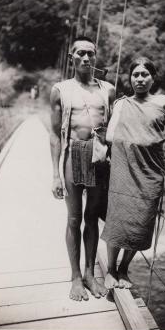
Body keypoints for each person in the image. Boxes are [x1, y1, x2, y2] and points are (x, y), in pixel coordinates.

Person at [101, 57, 165, 289]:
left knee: (142, 221)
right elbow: (110, 136)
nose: (140, 79)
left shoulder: (162, 101)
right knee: (117, 218)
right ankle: (111, 270)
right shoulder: (122, 103)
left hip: (150, 172)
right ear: (130, 78)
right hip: (123, 168)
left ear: (152, 78)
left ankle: (124, 269)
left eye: (145, 74)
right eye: (136, 75)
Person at [50, 36, 115, 301]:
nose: (86, 58)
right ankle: (75, 277)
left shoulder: (108, 90)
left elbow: (117, 126)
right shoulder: (60, 90)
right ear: (71, 58)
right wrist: (55, 174)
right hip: (73, 153)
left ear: (95, 56)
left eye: (90, 53)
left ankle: (90, 273)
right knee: (74, 218)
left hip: (99, 155)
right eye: (80, 54)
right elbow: (55, 135)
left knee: (91, 217)